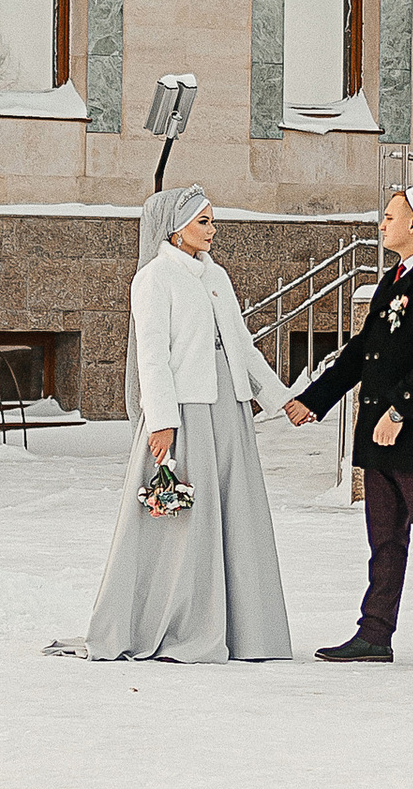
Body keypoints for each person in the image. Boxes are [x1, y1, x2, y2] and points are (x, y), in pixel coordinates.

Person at [82, 188, 294, 663]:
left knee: (235, 516)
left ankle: (244, 631)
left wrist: (280, 398)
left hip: (229, 411)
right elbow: (152, 357)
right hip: (185, 412)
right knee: (184, 522)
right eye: (203, 222)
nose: (213, 230)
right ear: (177, 227)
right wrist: (161, 421)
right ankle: (177, 623)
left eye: (212, 221)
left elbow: (242, 345)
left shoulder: (216, 276)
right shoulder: (154, 279)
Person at [285, 177, 413, 671]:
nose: (383, 224)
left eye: (390, 217)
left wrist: (398, 411)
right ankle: (375, 634)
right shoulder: (391, 281)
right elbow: (360, 355)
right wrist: (315, 398)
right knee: (384, 542)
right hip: (381, 439)